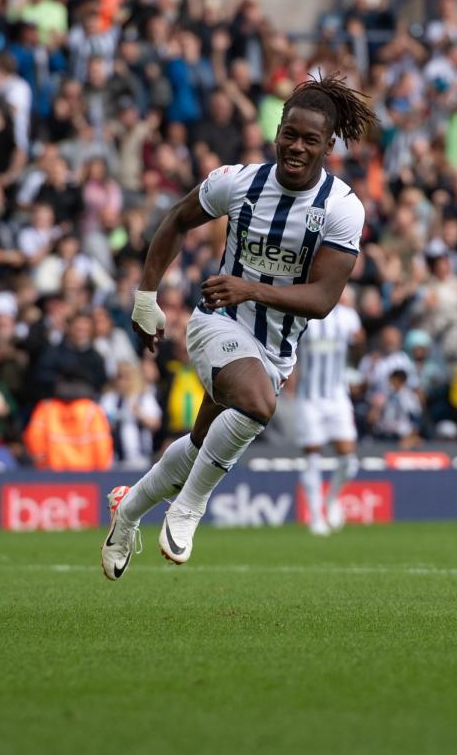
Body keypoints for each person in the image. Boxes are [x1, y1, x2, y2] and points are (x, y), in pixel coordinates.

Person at [103, 77, 373, 580]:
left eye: (310, 139)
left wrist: (252, 289)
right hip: (217, 322)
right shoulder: (237, 181)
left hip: (275, 347)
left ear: (328, 145)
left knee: (200, 445)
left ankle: (129, 512)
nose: (296, 146)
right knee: (257, 404)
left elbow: (321, 300)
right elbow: (176, 220)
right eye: (289, 134)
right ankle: (189, 508)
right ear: (277, 132)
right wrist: (145, 298)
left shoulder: (341, 208)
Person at [295, 287, 363, 536]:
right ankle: (315, 517)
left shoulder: (348, 316)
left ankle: (332, 499)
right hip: (308, 397)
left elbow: (358, 345)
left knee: (348, 459)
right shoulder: (303, 316)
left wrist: (357, 370)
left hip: (337, 395)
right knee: (312, 455)